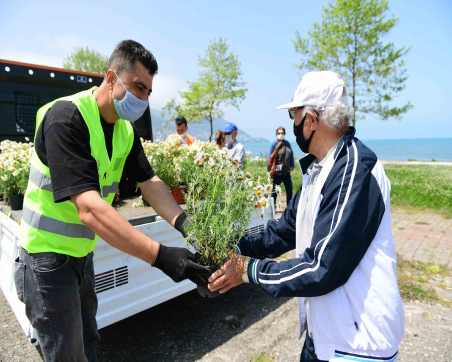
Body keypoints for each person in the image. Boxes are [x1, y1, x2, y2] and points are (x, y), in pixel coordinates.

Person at [15, 40, 208, 362]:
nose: (143, 99)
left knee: (88, 343)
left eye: (148, 92)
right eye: (138, 87)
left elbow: (150, 182)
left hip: (80, 257)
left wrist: (184, 223)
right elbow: (89, 208)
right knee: (67, 355)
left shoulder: (124, 132)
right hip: (45, 260)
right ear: (110, 77)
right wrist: (161, 256)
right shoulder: (66, 117)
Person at [208, 71, 404, 362]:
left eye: (294, 116)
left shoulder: (355, 171)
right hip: (324, 336)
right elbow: (283, 230)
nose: (293, 125)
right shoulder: (319, 170)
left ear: (311, 120)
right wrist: (233, 247)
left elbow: (322, 267)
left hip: (357, 346)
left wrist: (248, 270)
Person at [268, 127, 294, 207]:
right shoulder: (273, 144)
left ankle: (289, 208)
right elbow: (270, 157)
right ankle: (272, 207)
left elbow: (291, 154)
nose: (281, 135)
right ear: (276, 134)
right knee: (274, 191)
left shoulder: (287, 144)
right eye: (279, 133)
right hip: (277, 172)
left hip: (286, 171)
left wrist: (292, 165)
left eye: (282, 133)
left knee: (289, 190)